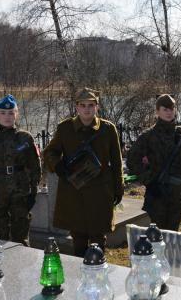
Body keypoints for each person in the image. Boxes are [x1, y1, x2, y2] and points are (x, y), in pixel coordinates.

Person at [43, 88, 123, 257]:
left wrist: (119, 188)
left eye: (91, 105)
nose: (87, 109)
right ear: (76, 107)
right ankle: (78, 276)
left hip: (100, 191)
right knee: (78, 238)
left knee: (98, 239)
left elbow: (116, 162)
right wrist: (58, 166)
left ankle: (99, 274)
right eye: (83, 105)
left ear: (97, 107)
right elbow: (50, 152)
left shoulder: (108, 129)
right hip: (74, 191)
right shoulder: (65, 128)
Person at [126, 94, 181, 231]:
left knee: (174, 234)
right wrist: (149, 179)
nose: (169, 112)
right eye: (165, 109)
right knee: (158, 235)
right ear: (157, 111)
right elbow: (132, 161)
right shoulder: (148, 136)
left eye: (172, 109)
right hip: (158, 195)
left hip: (177, 194)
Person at [0, 94, 41, 246]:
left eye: (11, 112)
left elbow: (35, 166)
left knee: (21, 234)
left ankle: (22, 265)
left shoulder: (25, 138)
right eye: (3, 113)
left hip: (20, 190)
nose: (7, 116)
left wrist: (33, 191)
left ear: (17, 114)